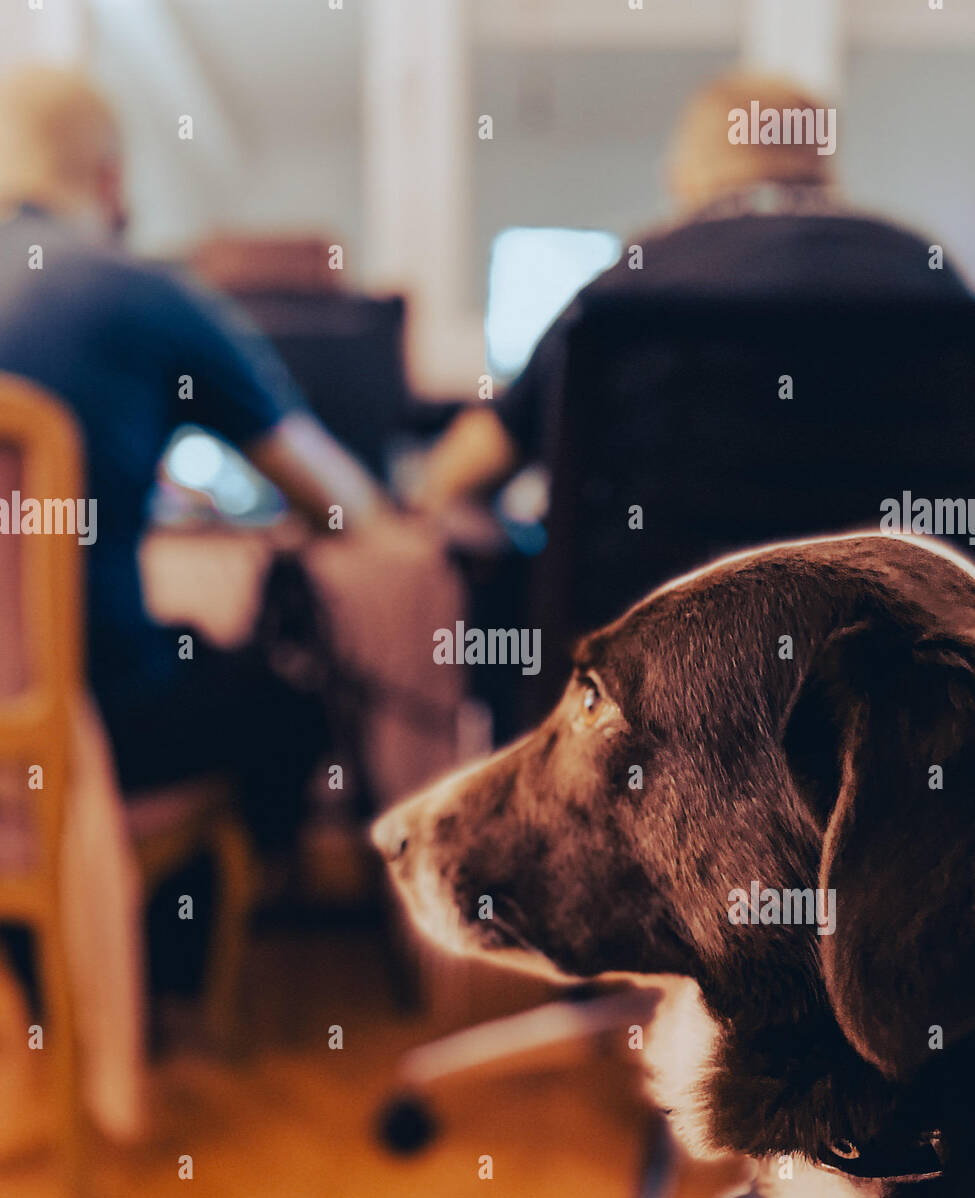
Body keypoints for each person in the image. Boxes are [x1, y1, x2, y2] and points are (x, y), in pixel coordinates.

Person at [0, 66, 395, 856]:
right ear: (112, 183)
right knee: (285, 691)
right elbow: (344, 504)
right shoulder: (145, 293)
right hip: (89, 719)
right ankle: (190, 954)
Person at [415, 71, 972, 511]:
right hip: (897, 641)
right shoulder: (929, 275)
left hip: (658, 642)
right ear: (821, 161)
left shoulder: (630, 281)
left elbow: (459, 475)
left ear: (687, 170)